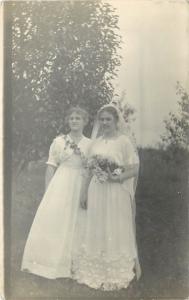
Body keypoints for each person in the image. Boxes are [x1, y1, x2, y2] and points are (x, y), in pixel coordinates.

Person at [72, 103, 141, 291]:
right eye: (101, 119)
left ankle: (115, 271)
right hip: (97, 189)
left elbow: (134, 168)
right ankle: (94, 269)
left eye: (108, 119)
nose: (104, 123)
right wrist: (84, 192)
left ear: (116, 121)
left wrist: (118, 177)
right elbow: (88, 169)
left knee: (115, 225)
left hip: (115, 190)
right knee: (97, 224)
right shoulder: (96, 142)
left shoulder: (124, 142)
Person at [21, 106, 91, 279]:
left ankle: (74, 265)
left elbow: (90, 169)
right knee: (57, 219)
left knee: (78, 220)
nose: (74, 121)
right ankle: (51, 263)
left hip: (81, 183)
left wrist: (86, 192)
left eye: (78, 118)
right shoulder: (59, 141)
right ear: (68, 121)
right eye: (71, 118)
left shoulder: (90, 144)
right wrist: (48, 191)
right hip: (62, 182)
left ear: (85, 122)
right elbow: (51, 166)